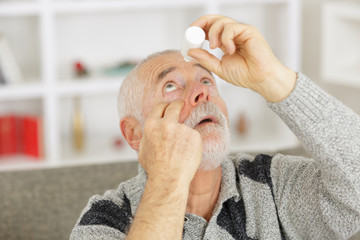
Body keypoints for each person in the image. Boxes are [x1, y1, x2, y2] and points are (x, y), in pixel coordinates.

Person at [70, 15, 360, 240]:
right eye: (171, 86)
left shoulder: (271, 184)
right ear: (134, 133)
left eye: (206, 81)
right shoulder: (105, 219)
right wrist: (168, 179)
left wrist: (273, 78)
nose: (202, 93)